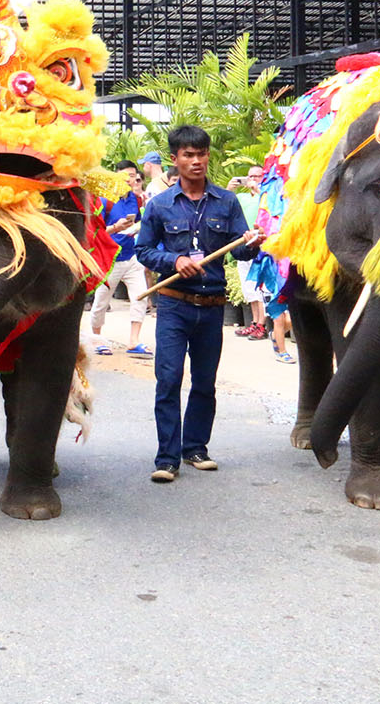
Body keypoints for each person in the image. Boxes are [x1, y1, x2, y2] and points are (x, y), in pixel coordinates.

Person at [134, 126, 263, 484]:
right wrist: (173, 261)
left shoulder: (227, 201)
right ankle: (166, 458)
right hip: (174, 305)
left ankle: (195, 449)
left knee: (205, 382)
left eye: (201, 154)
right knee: (169, 378)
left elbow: (239, 248)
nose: (196, 161)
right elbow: (143, 250)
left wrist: (252, 243)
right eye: (188, 155)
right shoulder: (159, 205)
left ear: (208, 157)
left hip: (211, 305)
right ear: (174, 160)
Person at [89, 160, 150, 357]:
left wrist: (136, 226)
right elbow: (95, 232)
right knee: (101, 300)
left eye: (133, 176)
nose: (130, 179)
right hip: (110, 258)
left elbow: (139, 223)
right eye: (125, 175)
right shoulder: (105, 200)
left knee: (140, 296)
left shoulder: (136, 199)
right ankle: (96, 338)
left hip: (131, 256)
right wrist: (116, 228)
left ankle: (134, 341)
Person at [232, 166, 269, 340]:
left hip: (261, 244)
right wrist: (230, 188)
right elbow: (225, 205)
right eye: (250, 176)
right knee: (248, 287)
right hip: (243, 244)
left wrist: (259, 190)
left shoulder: (268, 195)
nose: (253, 179)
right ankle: (254, 322)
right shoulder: (241, 197)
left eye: (257, 176)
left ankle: (262, 324)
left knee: (259, 286)